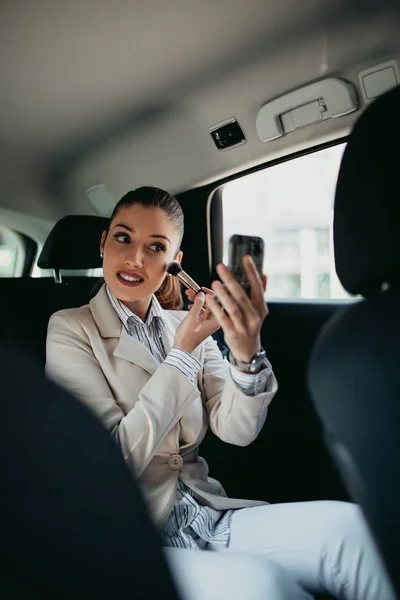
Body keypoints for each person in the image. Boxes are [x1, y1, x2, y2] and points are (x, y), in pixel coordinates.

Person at [46, 186, 394, 600]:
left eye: (155, 247)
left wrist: (246, 354)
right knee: (264, 587)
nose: (136, 258)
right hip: (131, 537)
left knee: (352, 530)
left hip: (208, 515)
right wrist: (182, 353)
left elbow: (236, 431)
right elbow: (106, 461)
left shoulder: (186, 323)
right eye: (123, 238)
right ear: (104, 243)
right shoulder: (69, 328)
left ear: (174, 264)